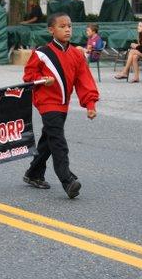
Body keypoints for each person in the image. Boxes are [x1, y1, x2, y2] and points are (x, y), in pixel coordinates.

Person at [22, 12, 99, 199]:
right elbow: (28, 78)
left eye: (69, 26)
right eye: (62, 26)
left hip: (63, 104)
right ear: (51, 30)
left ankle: (33, 173)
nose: (67, 30)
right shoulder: (41, 53)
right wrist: (42, 80)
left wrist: (90, 104)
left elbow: (84, 81)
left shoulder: (76, 55)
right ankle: (67, 181)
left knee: (49, 140)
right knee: (58, 141)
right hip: (47, 103)